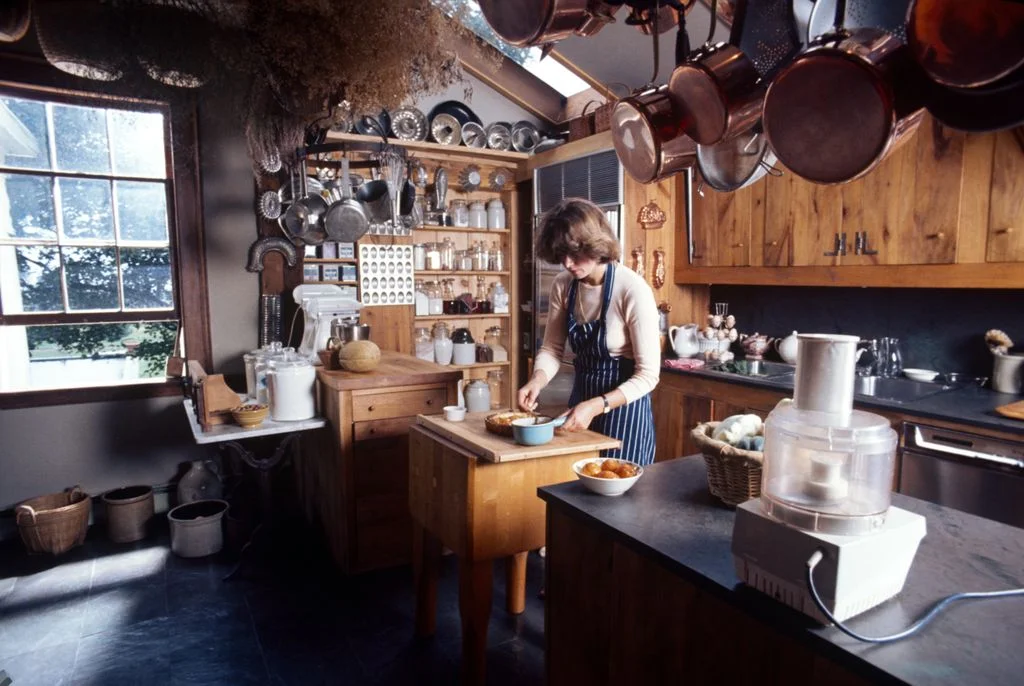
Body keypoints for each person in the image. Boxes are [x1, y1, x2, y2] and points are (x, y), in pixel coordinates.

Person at [518, 198, 660, 465]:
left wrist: (597, 406)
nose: (568, 264)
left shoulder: (631, 289)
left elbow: (649, 375)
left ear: (595, 244)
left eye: (574, 253)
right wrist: (536, 381)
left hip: (623, 411)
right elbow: (552, 348)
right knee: (573, 490)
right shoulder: (564, 285)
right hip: (580, 404)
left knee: (617, 496)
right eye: (561, 256)